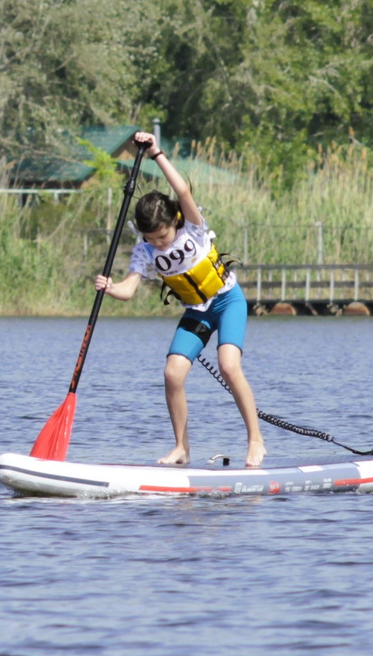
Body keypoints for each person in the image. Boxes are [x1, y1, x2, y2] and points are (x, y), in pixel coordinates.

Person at [92, 131, 268, 468]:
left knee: (230, 366)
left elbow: (182, 190)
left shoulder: (191, 226)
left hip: (227, 301)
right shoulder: (144, 251)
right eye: (149, 238)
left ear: (173, 222)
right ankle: (181, 448)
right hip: (197, 312)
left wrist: (157, 153)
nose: (157, 243)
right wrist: (110, 287)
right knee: (172, 374)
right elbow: (128, 290)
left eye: (161, 236)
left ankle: (256, 441)